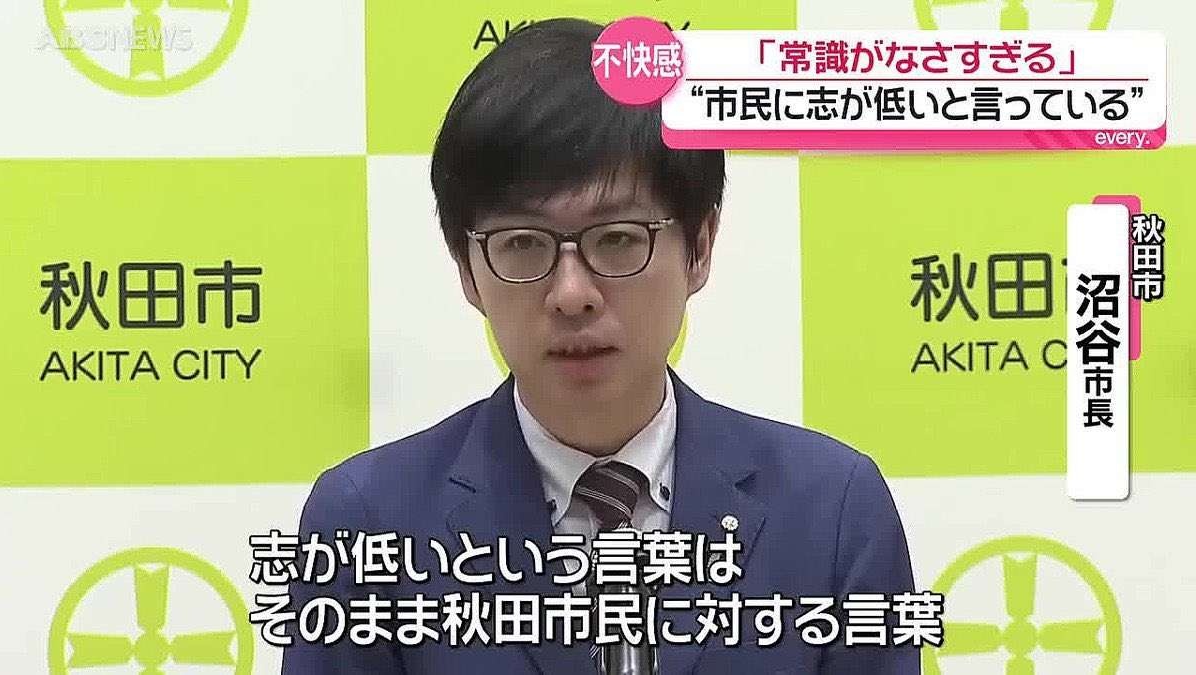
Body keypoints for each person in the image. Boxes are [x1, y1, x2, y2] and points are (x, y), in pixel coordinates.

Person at [282, 17, 919, 674]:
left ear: (700, 248)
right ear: (467, 270)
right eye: (522, 243)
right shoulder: (366, 523)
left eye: (617, 238)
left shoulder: (832, 509)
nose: (571, 294)